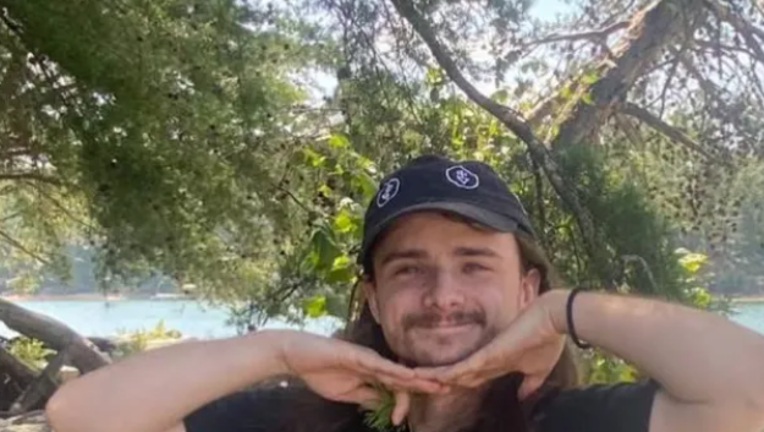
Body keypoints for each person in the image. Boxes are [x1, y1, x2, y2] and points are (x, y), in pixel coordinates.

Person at [46, 155, 764, 432]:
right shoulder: (289, 423)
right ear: (373, 294)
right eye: (409, 269)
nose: (442, 295)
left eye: (475, 265)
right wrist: (276, 351)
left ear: (526, 286)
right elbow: (82, 418)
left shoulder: (579, 424)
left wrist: (567, 311)